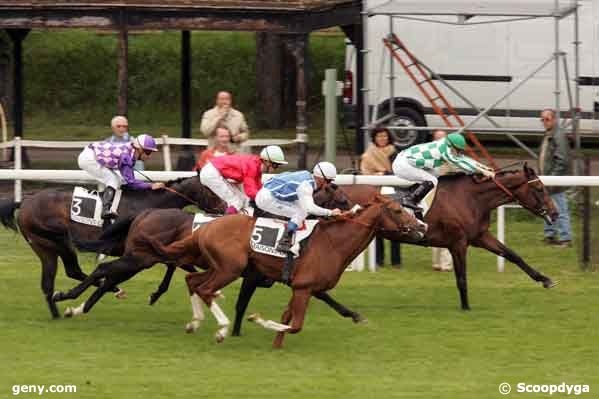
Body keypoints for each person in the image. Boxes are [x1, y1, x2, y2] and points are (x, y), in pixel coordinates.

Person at [393, 132, 495, 212]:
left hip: (408, 161)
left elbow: (462, 158)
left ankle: (415, 197)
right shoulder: (443, 150)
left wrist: (484, 167)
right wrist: (482, 171)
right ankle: (410, 200)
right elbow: (458, 162)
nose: (459, 152)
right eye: (458, 150)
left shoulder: (446, 145)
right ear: (451, 145)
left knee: (436, 174)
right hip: (403, 165)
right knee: (432, 180)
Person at [256, 162, 344, 253]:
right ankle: (284, 242)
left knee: (302, 210)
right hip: (266, 199)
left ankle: (290, 232)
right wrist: (330, 212)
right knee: (300, 212)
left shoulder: (307, 176)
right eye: (328, 181)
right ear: (320, 178)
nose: (328, 185)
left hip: (270, 193)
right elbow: (310, 208)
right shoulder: (306, 186)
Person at [78, 134, 164, 220]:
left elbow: (129, 180)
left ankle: (119, 204)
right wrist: (151, 186)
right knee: (112, 180)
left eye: (151, 152)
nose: (149, 156)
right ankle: (105, 210)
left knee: (120, 180)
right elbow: (132, 182)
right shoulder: (126, 156)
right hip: (88, 158)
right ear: (140, 149)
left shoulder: (131, 152)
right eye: (148, 152)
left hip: (92, 154)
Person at [200, 145, 287, 215]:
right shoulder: (252, 166)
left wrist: (269, 196)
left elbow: (258, 188)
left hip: (215, 172)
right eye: (275, 165)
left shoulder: (256, 166)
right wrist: (265, 198)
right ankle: (224, 227)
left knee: (243, 200)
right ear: (267, 162)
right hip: (211, 173)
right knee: (235, 202)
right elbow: (250, 191)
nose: (276, 168)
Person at [360, 126, 401, 267]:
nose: (382, 139)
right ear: (374, 138)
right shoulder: (368, 155)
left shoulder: (395, 152)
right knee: (378, 225)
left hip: (392, 191)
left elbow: (399, 171)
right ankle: (378, 260)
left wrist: (384, 175)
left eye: (385, 136)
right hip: (375, 192)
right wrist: (380, 174)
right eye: (379, 136)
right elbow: (365, 173)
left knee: (396, 224)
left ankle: (396, 261)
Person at [539, 109, 572, 248]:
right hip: (548, 179)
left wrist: (552, 178)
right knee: (547, 208)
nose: (544, 122)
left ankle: (566, 238)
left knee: (560, 209)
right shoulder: (549, 134)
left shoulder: (558, 135)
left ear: (554, 119)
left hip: (555, 180)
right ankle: (550, 235)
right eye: (542, 120)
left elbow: (563, 160)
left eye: (547, 119)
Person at [429, 130, 455, 272]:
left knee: (449, 227)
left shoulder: (451, 155)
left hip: (448, 195)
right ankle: (436, 263)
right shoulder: (428, 155)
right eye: (438, 138)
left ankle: (446, 264)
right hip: (432, 194)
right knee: (434, 226)